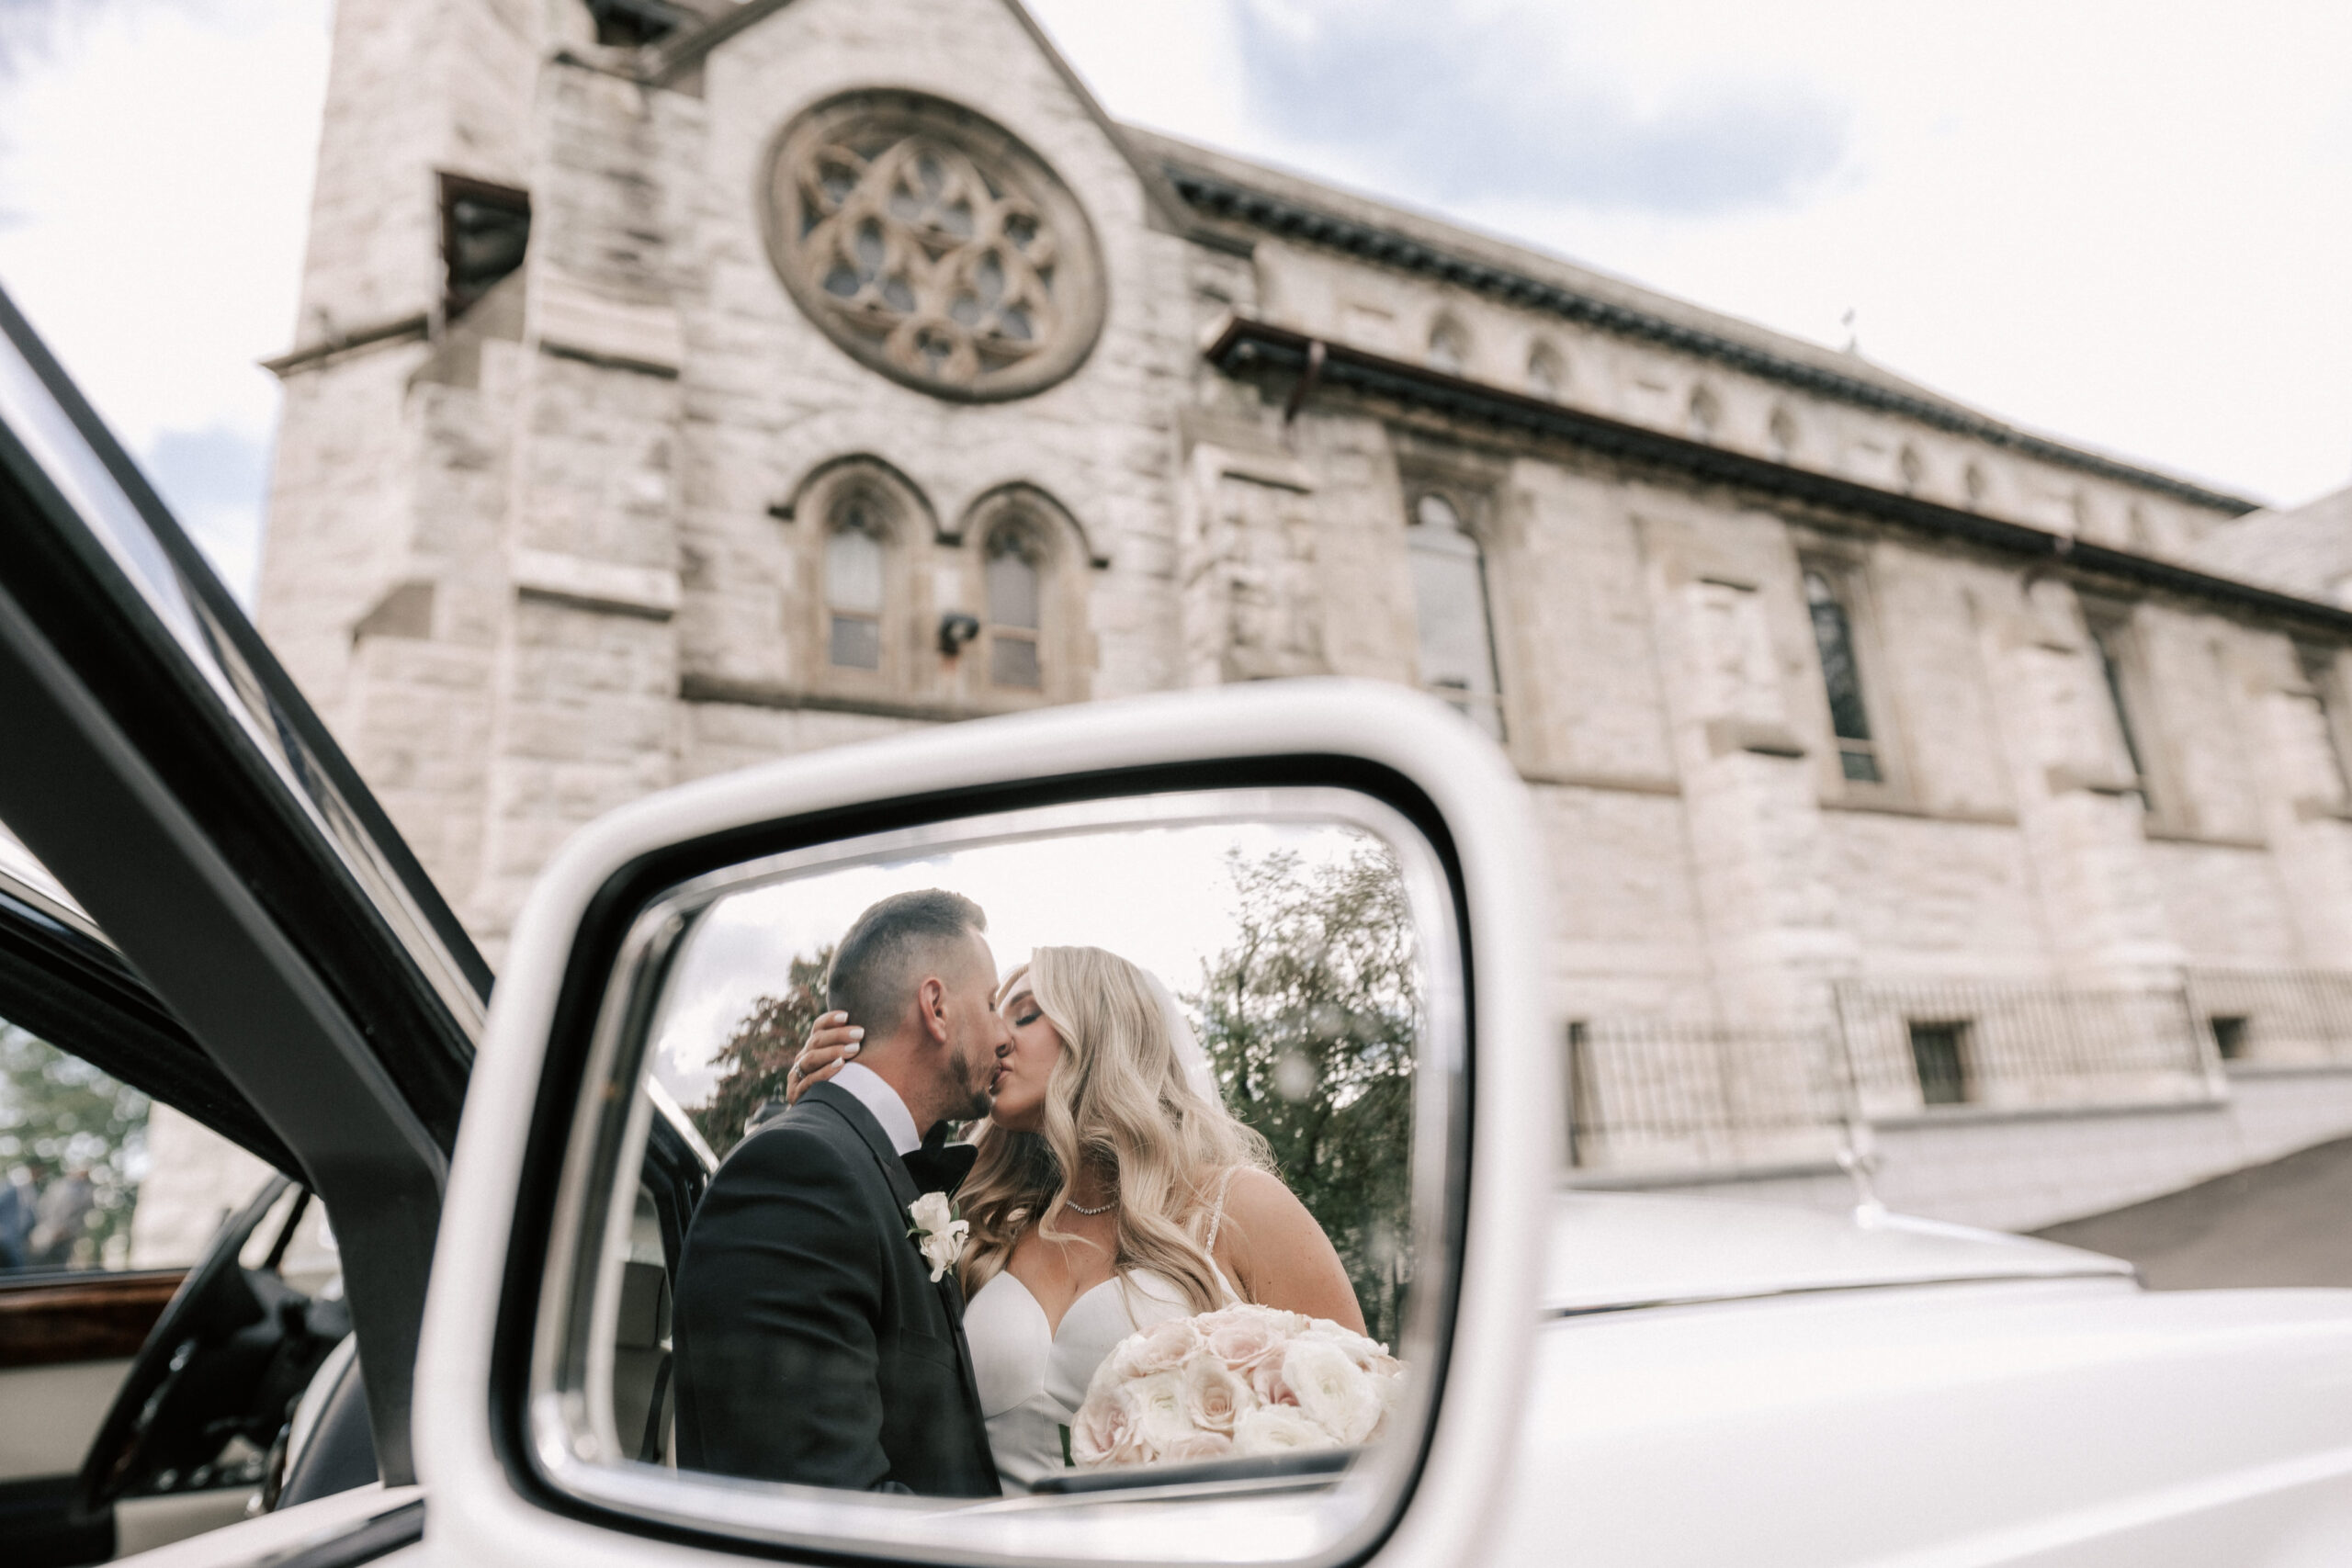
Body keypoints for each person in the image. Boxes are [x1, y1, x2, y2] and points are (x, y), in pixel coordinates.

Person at [788, 944, 1363, 1494]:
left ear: (1101, 1031)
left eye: (1027, 1014)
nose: (996, 1039)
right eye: (993, 1015)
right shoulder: (981, 1230)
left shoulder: (1237, 1206)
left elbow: (1357, 1408)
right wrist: (830, 1123)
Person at [670, 889, 1009, 1495]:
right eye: (991, 1002)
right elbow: (819, 1507)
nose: (1004, 1032)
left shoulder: (863, 1169)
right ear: (936, 1006)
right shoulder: (796, 1173)